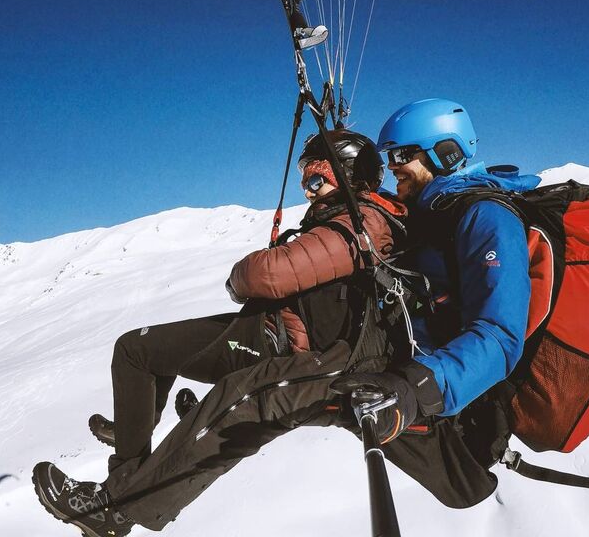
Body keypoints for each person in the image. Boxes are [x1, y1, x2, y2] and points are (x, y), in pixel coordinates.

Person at [32, 129, 407, 537]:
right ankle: (130, 442)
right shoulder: (339, 219)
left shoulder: (362, 222)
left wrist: (239, 279)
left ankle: (114, 507)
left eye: (315, 179)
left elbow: (267, 274)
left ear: (347, 176)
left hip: (274, 345)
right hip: (260, 327)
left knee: (189, 378)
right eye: (304, 178)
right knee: (134, 350)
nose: (307, 188)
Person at [328, 98, 545, 507]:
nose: (393, 166)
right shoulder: (428, 212)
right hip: (395, 363)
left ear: (446, 152)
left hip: (437, 399)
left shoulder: (487, 218)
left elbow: (499, 337)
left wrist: (415, 389)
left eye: (403, 155)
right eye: (391, 156)